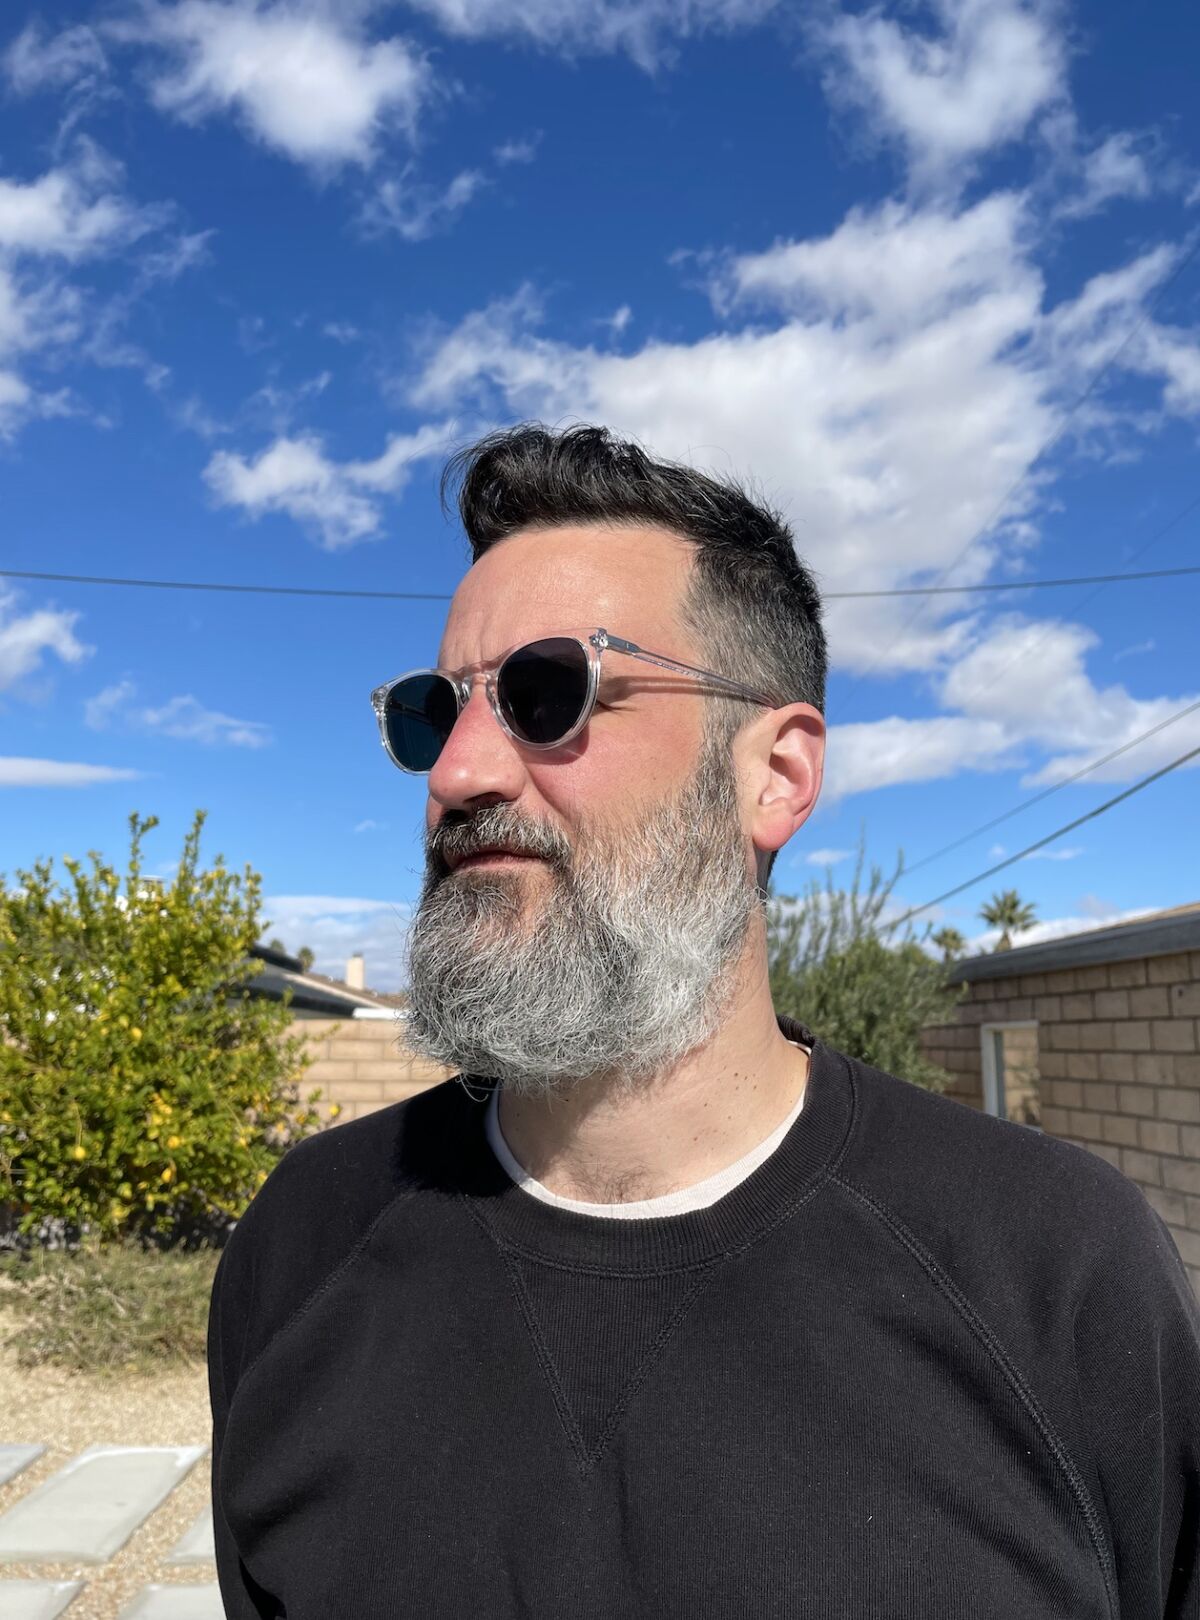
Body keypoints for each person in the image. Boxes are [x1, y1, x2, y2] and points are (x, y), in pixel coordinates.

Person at [208, 424, 1200, 1619]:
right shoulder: (303, 1242)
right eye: (436, 710)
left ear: (775, 775)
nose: (458, 773)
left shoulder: (1055, 1264)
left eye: (546, 692)